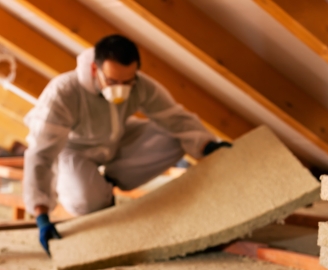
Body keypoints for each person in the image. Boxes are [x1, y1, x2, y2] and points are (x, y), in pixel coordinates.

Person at [23, 35, 231, 255]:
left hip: (116, 139)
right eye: (112, 82)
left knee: (175, 135)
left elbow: (175, 118)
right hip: (74, 150)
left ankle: (108, 182)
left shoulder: (140, 85)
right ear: (95, 69)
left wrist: (208, 145)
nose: (120, 89)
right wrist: (41, 214)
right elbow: (41, 153)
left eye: (127, 82)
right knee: (86, 200)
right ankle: (97, 194)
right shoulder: (64, 91)